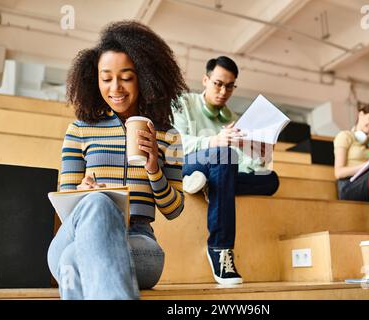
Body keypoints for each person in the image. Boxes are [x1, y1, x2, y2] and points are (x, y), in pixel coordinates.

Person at [47, 21, 187, 299]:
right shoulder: (80, 130)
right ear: (94, 78)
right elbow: (65, 204)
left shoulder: (168, 136)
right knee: (97, 203)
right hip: (78, 230)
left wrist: (154, 169)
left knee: (74, 259)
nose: (115, 87)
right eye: (106, 77)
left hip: (138, 239)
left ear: (145, 77)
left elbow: (174, 209)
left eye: (126, 76)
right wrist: (82, 194)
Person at [172, 56, 280, 285]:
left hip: (220, 168)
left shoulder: (233, 119)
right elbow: (175, 145)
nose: (223, 91)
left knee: (270, 179)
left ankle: (205, 183)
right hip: (185, 162)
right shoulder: (182, 103)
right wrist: (214, 140)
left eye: (230, 86)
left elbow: (241, 164)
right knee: (224, 153)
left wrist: (259, 155)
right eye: (218, 83)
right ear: (205, 80)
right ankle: (221, 249)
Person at [333, 103, 369, 201]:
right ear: (360, 114)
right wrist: (368, 164)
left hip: (365, 184)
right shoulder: (345, 136)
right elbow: (338, 173)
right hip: (348, 186)